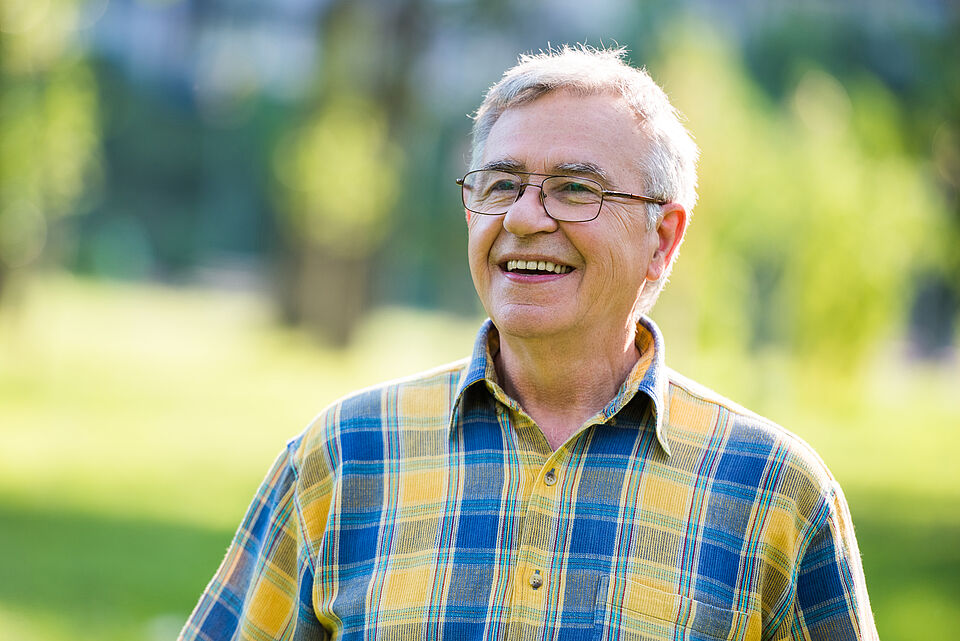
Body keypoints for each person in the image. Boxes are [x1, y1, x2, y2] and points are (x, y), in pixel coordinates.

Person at [179, 45, 877, 641]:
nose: (523, 217)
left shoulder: (777, 492)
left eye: (575, 189)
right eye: (502, 183)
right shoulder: (344, 455)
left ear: (662, 238)